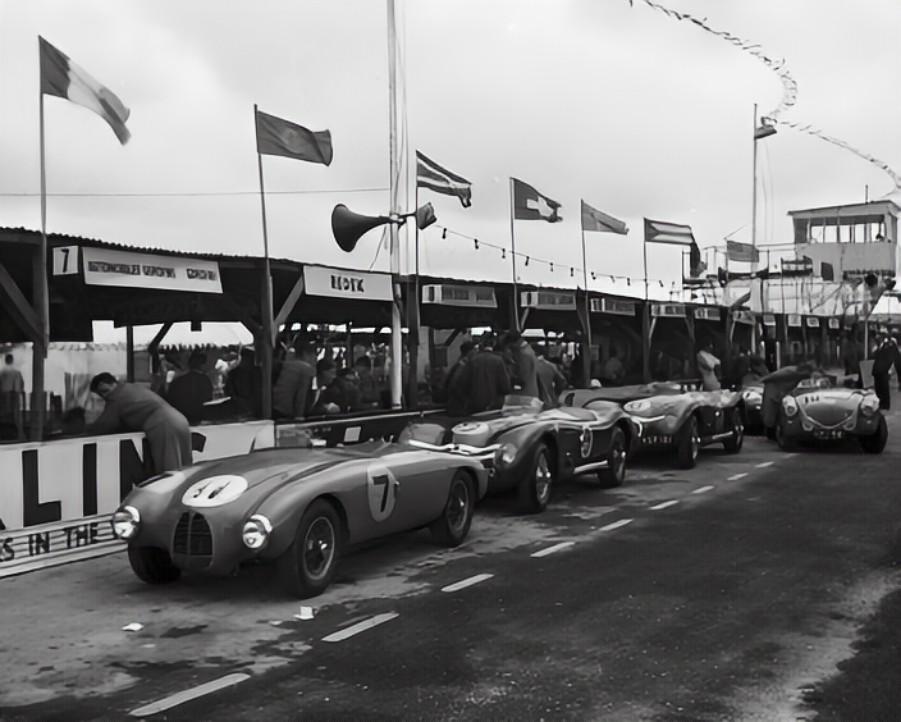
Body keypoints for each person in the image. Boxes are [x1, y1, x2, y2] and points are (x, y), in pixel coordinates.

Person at [86, 373, 192, 473]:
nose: (105, 396)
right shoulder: (133, 387)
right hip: (180, 420)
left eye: (103, 391)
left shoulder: (115, 396)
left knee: (169, 469)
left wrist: (83, 429)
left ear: (108, 384)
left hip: (163, 425)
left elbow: (107, 424)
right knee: (186, 468)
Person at [456, 334, 511, 414]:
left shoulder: (472, 360)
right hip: (494, 407)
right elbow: (505, 387)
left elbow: (462, 383)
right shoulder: (498, 361)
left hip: (474, 405)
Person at [165, 351, 214, 425]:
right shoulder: (204, 380)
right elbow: (208, 399)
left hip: (179, 417)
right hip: (198, 417)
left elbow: (170, 399)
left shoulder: (177, 381)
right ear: (202, 365)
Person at [272, 342, 316, 419]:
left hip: (273, 407)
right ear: (305, 354)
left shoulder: (286, 364)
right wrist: (299, 416)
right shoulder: (305, 368)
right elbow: (301, 397)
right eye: (313, 356)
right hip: (286, 412)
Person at [441, 341, 476, 417]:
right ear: (470, 352)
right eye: (474, 350)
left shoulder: (459, 364)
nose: (476, 352)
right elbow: (453, 386)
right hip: (458, 406)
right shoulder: (463, 366)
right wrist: (466, 401)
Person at [224, 347, 263, 417]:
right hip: (238, 407)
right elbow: (228, 391)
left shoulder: (257, 372)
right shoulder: (233, 373)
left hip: (254, 407)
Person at [503, 330, 540, 398]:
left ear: (517, 341)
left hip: (523, 394)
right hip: (531, 391)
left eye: (511, 346)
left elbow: (521, 377)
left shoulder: (523, 354)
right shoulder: (529, 350)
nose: (510, 349)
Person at [871, 332, 901, 410]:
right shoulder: (879, 347)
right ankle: (881, 404)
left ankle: (884, 405)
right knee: (879, 389)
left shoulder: (889, 346)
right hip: (878, 371)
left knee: (883, 389)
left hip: (884, 371)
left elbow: (897, 361)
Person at [0, 353, 26, 441]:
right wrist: (20, 392)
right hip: (15, 395)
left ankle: (6, 434)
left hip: (3, 396)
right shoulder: (16, 372)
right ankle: (20, 435)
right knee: (16, 416)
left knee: (4, 414)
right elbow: (21, 384)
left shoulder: (2, 372)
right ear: (12, 360)